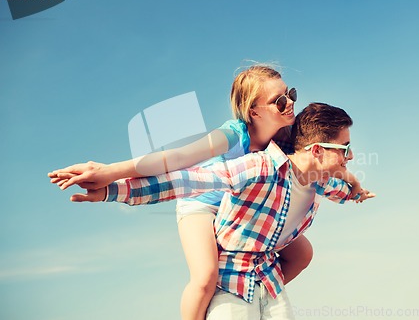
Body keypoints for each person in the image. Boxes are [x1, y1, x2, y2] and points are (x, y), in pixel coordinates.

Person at [48, 65, 364, 320]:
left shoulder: (284, 137)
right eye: (279, 101)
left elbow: (322, 153)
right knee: (205, 277)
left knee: (302, 254)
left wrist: (350, 178)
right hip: (202, 202)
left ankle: (249, 294)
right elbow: (175, 160)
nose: (290, 103)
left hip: (240, 211)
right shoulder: (232, 134)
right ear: (254, 112)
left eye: (290, 94)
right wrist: (110, 172)